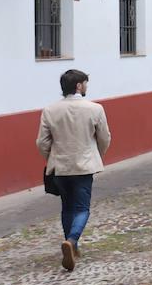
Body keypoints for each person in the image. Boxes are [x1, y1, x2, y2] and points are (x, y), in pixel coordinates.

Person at [37, 68, 112, 272]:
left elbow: (42, 142)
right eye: (86, 83)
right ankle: (72, 241)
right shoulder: (95, 109)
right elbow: (104, 138)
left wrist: (52, 158)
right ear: (79, 85)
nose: (87, 87)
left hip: (60, 167)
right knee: (82, 208)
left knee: (67, 207)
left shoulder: (50, 110)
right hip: (83, 165)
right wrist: (96, 156)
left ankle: (73, 247)